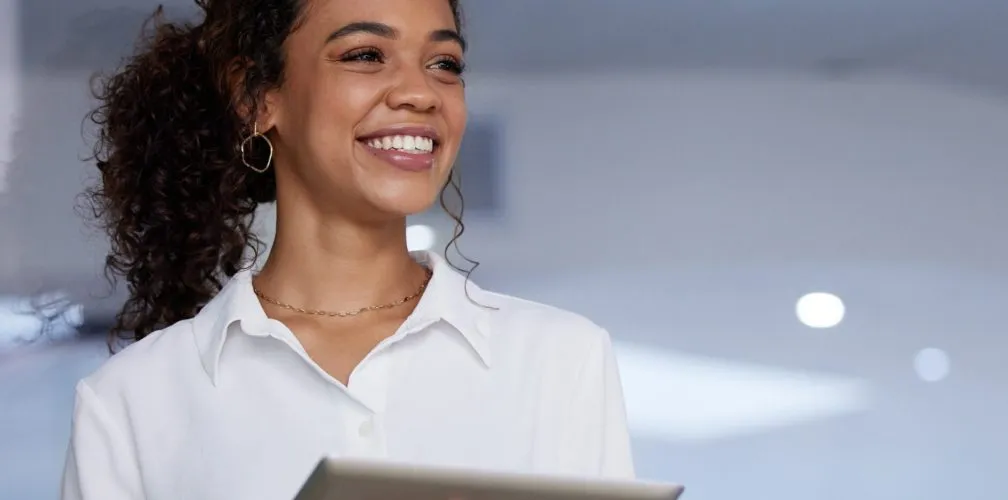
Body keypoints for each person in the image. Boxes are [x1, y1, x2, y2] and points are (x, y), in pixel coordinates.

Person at [62, 0, 635, 498]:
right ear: (257, 97)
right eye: (365, 55)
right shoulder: (130, 404)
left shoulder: (563, 362)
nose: (420, 93)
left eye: (445, 64)